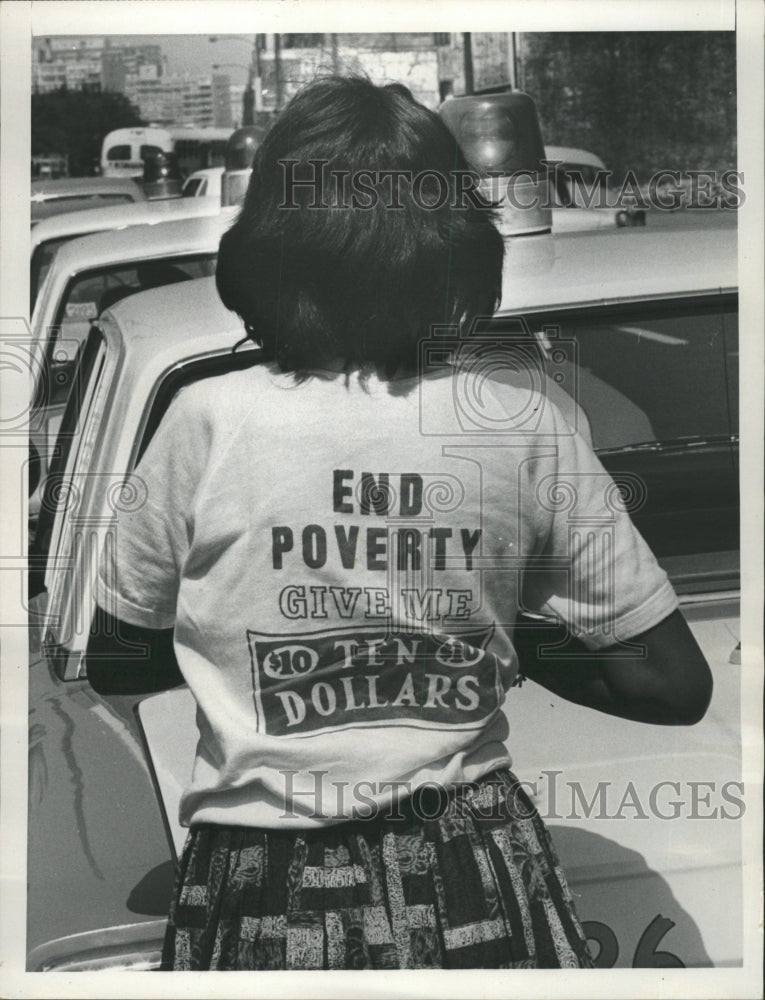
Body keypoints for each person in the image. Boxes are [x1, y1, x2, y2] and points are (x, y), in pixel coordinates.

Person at [87, 76, 713, 971]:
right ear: (453, 244)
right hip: (476, 876)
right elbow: (669, 685)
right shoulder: (523, 421)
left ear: (270, 242)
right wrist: (475, 635)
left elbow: (121, 652)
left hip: (267, 888)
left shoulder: (206, 421)